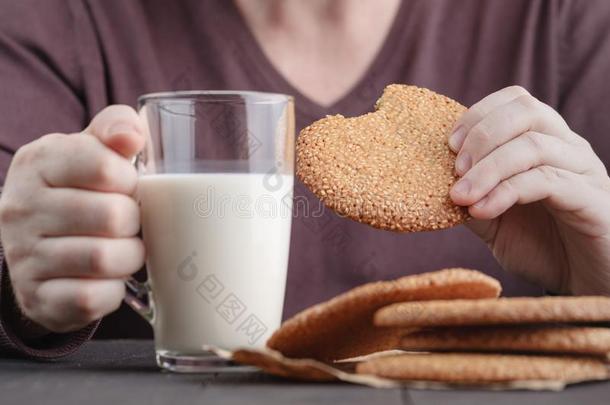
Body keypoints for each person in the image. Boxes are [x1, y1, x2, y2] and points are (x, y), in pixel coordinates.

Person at [0, 0, 608, 358]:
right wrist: (19, 280)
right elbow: (17, 239)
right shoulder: (56, 19)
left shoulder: (567, 21)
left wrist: (600, 282)